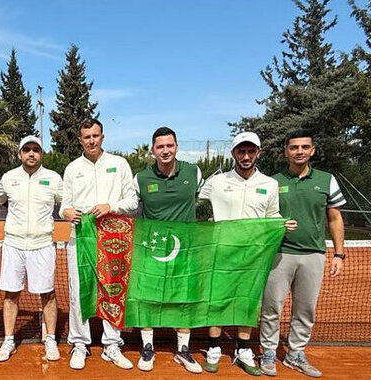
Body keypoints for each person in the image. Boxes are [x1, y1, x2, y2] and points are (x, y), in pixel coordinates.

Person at [198, 131, 297, 376]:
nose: (245, 156)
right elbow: (198, 206)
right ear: (233, 153)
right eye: (241, 151)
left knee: (248, 302)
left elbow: (272, 216)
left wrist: (281, 225)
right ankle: (214, 349)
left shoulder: (270, 184)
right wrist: (208, 221)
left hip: (254, 257)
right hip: (220, 253)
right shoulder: (217, 182)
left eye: (251, 151)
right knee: (217, 301)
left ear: (258, 153)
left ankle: (243, 350)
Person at [259, 129, 345, 378]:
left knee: (305, 309)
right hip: (278, 254)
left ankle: (295, 354)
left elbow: (335, 217)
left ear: (312, 150)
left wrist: (339, 255)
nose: (299, 152)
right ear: (286, 151)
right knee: (271, 307)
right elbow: (263, 219)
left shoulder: (326, 180)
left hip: (313, 255)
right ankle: (267, 353)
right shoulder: (272, 182)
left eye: (304, 147)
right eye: (294, 147)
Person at [60, 118, 138, 370]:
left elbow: (133, 201)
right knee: (78, 290)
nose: (91, 140)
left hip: (114, 238)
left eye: (95, 136)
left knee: (112, 289)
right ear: (81, 140)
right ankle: (80, 343)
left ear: (102, 137)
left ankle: (112, 344)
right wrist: (66, 213)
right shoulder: (72, 168)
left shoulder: (119, 164)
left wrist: (111, 206)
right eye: (86, 137)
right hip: (81, 237)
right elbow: (64, 204)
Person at [133, 126, 203, 374]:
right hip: (153, 250)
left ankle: (183, 351)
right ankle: (148, 346)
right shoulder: (141, 178)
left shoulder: (194, 172)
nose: (165, 150)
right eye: (160, 146)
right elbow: (129, 207)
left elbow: (212, 198)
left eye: (169, 145)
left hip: (186, 251)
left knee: (183, 299)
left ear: (176, 147)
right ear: (152, 149)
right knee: (149, 297)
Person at [0, 135, 63, 362]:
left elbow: (67, 202)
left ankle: (50, 339)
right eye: (27, 150)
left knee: (48, 294)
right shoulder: (9, 178)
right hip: (14, 244)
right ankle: (9, 339)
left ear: (41, 154)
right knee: (11, 293)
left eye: (35, 150)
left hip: (42, 244)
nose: (31, 153)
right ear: (20, 154)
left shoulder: (53, 178)